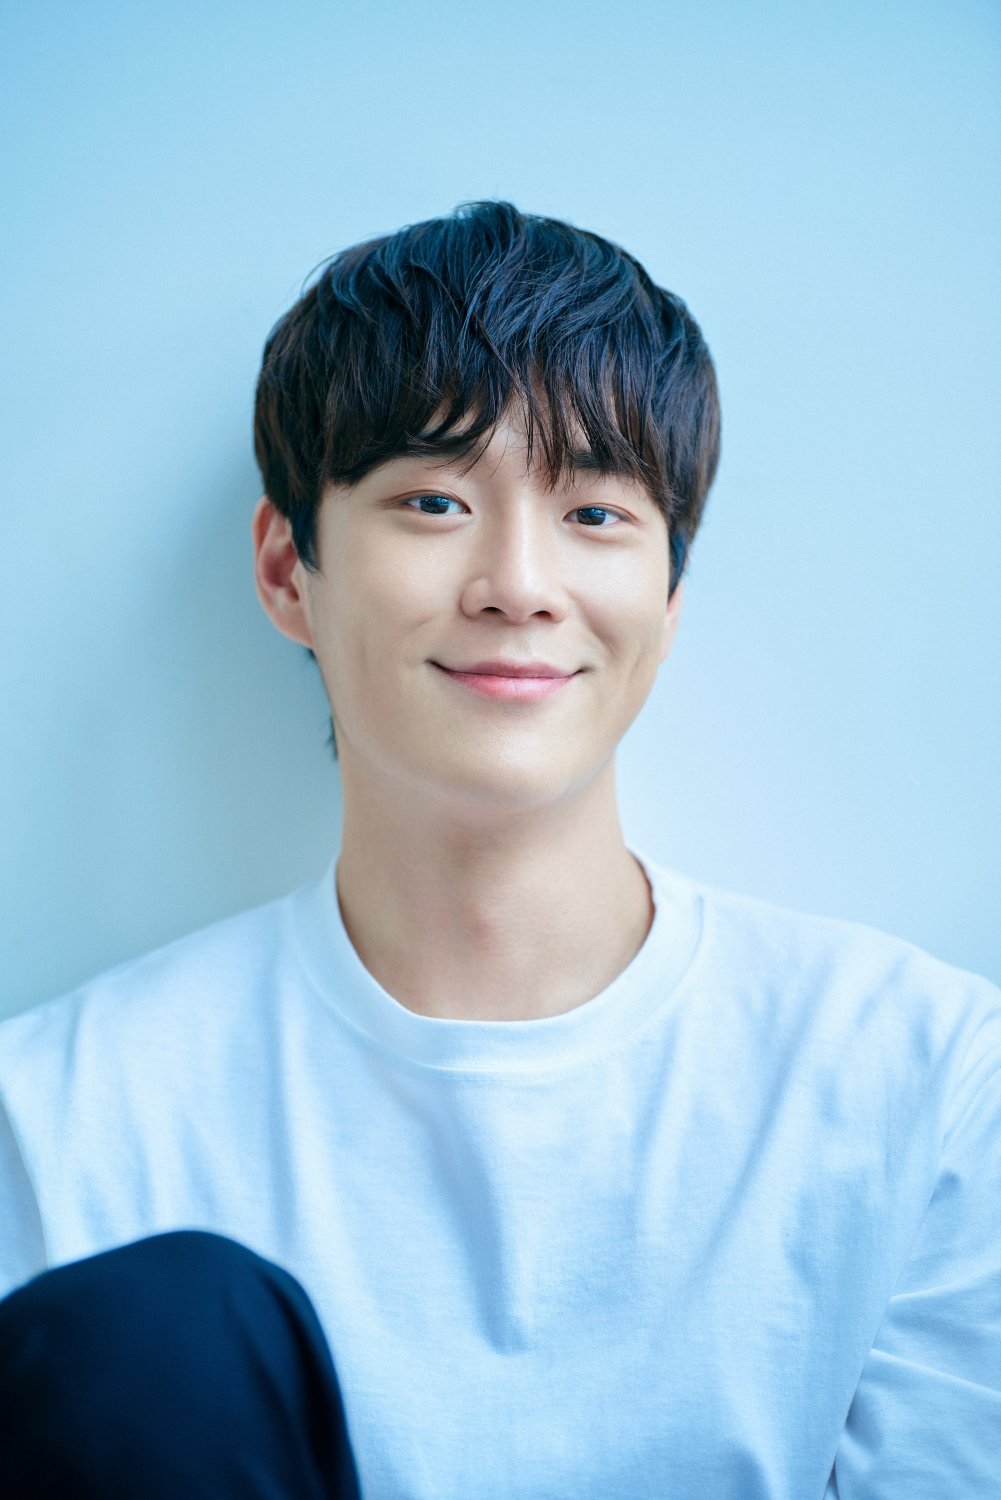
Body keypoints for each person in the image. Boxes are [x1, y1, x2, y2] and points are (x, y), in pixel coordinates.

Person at [0, 199, 998, 1499]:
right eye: (432, 500)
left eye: (596, 514)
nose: (517, 585)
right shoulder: (62, 1116)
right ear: (288, 570)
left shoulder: (928, 1079)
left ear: (669, 596)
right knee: (164, 1331)